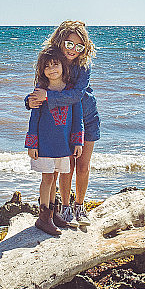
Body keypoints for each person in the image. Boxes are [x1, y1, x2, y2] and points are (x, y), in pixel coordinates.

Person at [26, 21, 98, 227]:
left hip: (87, 118)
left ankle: (80, 207)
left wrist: (47, 97)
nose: (73, 50)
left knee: (82, 166)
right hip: (62, 124)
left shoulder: (84, 65)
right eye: (69, 44)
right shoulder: (53, 62)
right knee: (64, 168)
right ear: (60, 41)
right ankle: (64, 208)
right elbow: (40, 89)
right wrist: (30, 101)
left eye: (79, 46)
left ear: (85, 47)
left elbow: (76, 95)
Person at [25, 47, 84, 236]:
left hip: (62, 145)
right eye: (47, 66)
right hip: (44, 145)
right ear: (42, 70)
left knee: (56, 176)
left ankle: (53, 213)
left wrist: (77, 142)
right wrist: (32, 144)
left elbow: (77, 119)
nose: (52, 69)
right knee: (47, 178)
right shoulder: (40, 93)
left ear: (63, 67)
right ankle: (43, 218)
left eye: (55, 64)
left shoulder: (70, 93)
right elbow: (33, 120)